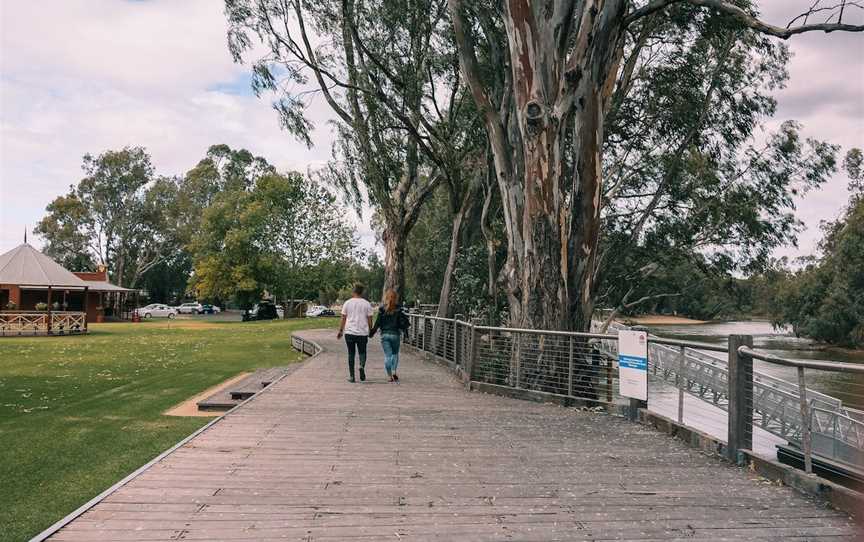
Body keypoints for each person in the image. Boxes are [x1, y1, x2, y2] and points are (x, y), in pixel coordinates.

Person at [369, 289, 410, 382]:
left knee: (388, 356)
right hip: (395, 335)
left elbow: (377, 323)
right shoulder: (399, 310)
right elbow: (403, 323)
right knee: (395, 354)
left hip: (385, 335)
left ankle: (389, 376)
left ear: (386, 297)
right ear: (396, 298)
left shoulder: (382, 310)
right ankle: (394, 371)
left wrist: (371, 333)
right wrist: (406, 334)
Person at [337, 284, 374, 383]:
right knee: (362, 352)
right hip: (362, 332)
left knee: (351, 353)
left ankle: (352, 376)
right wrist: (371, 330)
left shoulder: (347, 303)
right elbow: (370, 319)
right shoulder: (367, 304)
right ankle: (361, 366)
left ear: (353, 292)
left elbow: (343, 318)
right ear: (362, 292)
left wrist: (341, 330)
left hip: (349, 332)